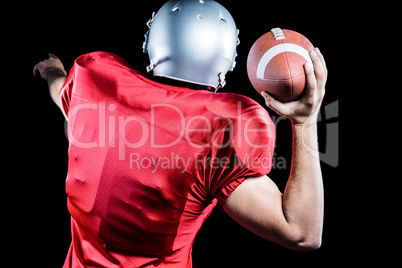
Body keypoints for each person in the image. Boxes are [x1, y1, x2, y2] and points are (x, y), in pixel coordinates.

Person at [33, 0, 327, 267]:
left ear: (154, 41)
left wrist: (52, 71)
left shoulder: (92, 86)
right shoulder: (217, 131)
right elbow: (301, 233)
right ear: (226, 60)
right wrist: (305, 121)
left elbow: (63, 93)